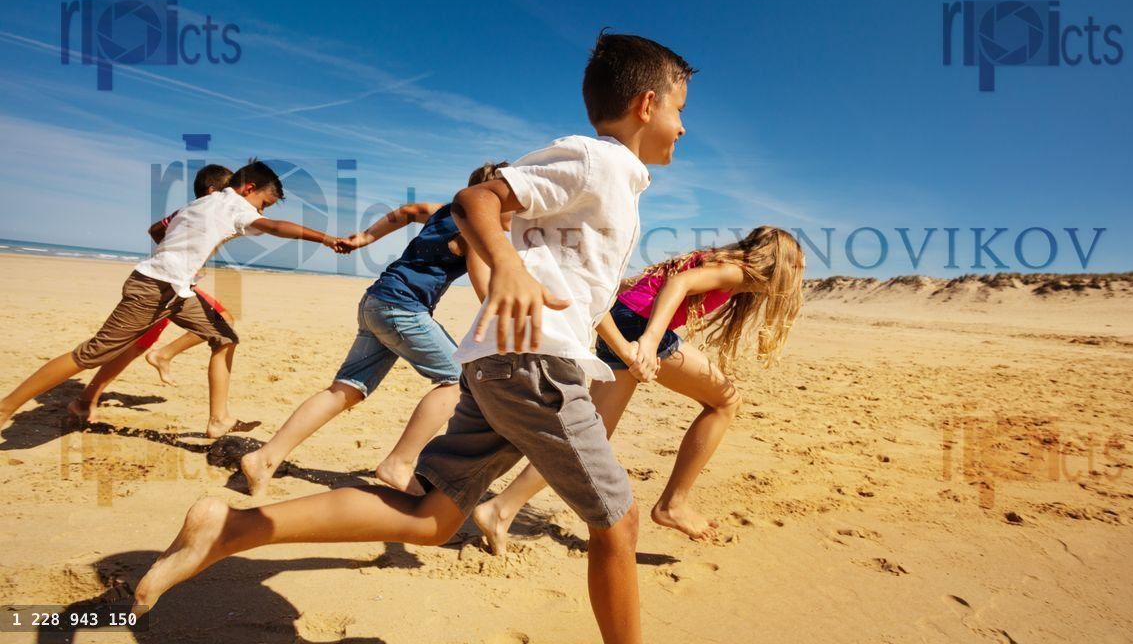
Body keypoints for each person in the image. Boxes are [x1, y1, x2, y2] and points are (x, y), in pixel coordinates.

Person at [134, 32, 694, 644]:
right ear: (645, 104)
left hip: (508, 363)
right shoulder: (596, 159)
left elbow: (579, 286)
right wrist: (504, 264)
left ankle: (233, 530)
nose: (683, 128)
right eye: (679, 110)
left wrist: (608, 345)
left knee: (430, 518)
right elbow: (475, 197)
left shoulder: (617, 180)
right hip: (534, 364)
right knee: (619, 521)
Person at [474, 227, 805, 553]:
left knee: (591, 437)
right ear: (779, 262)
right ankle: (673, 505)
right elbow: (680, 282)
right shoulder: (733, 272)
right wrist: (648, 341)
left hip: (624, 320)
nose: (799, 277)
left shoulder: (728, 271)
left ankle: (500, 510)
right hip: (638, 327)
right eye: (797, 268)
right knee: (725, 403)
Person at [0, 160, 350, 439]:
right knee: (93, 353)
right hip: (153, 287)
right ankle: (6, 407)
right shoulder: (234, 205)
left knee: (224, 336)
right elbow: (276, 228)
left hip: (177, 290)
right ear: (248, 189)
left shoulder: (198, 205)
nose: (262, 213)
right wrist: (326, 238)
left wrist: (176, 254)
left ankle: (219, 420)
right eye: (263, 203)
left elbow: (157, 229)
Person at [240, 161, 511, 497]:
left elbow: (409, 211)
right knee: (457, 380)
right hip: (403, 308)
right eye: (513, 200)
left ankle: (265, 458)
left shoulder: (442, 211)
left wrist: (364, 238)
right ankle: (399, 463)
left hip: (376, 301)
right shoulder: (474, 231)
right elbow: (485, 290)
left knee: (346, 388)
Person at [66, 164, 238, 424]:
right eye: (228, 191)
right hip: (166, 284)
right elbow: (157, 230)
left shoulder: (203, 213)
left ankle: (90, 396)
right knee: (134, 345)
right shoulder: (198, 212)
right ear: (212, 191)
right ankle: (91, 396)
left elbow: (155, 229)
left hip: (180, 284)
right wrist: (176, 256)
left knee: (219, 323)